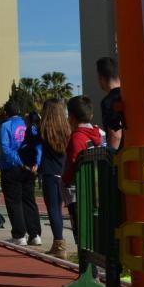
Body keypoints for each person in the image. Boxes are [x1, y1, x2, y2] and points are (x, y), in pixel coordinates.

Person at [0, 100, 42, 246]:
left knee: (14, 202)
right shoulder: (26, 124)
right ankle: (35, 234)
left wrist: (19, 162)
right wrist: (35, 162)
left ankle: (19, 234)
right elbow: (37, 144)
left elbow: (5, 148)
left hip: (12, 167)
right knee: (29, 201)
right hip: (29, 167)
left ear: (5, 113)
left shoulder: (5, 126)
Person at [62, 96, 102, 246]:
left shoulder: (77, 138)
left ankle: (87, 266)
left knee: (81, 234)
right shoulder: (99, 134)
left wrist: (64, 179)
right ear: (90, 115)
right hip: (96, 189)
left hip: (79, 193)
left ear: (71, 117)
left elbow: (74, 163)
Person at [39, 98, 70, 259]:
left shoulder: (44, 129)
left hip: (50, 172)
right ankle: (58, 243)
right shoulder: (66, 129)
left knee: (53, 209)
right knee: (59, 208)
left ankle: (59, 244)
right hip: (63, 171)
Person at [97, 57, 124, 151]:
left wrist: (111, 157)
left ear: (101, 78)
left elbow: (115, 135)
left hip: (122, 157)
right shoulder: (130, 95)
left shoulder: (108, 101)